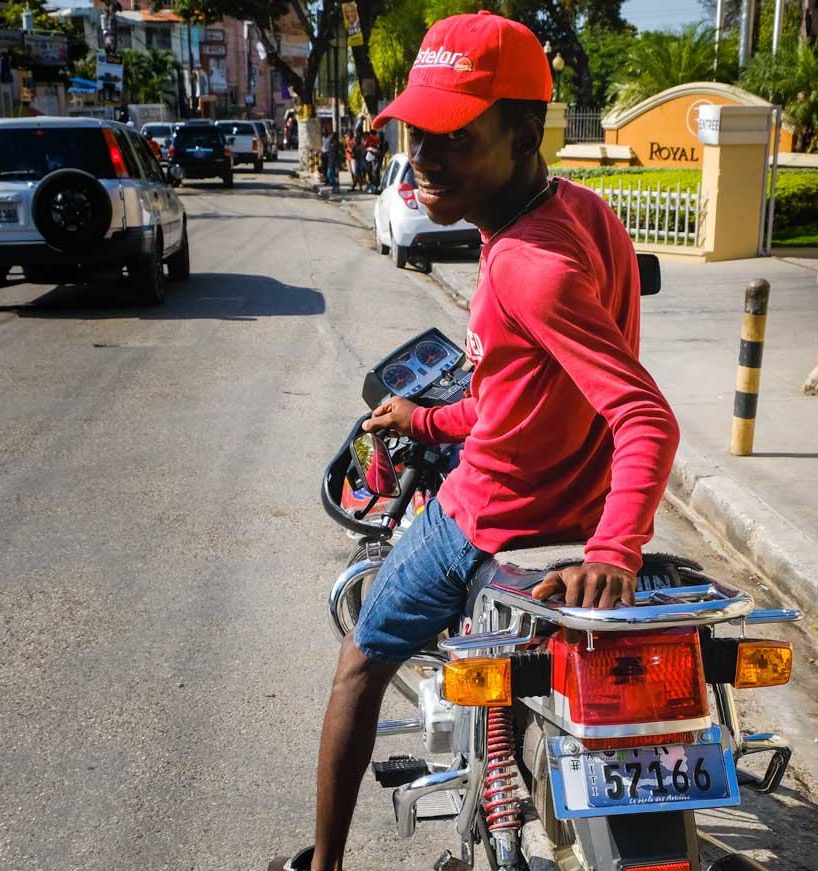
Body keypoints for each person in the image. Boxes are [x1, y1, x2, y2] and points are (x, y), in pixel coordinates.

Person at [266, 12, 679, 871]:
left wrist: (618, 548)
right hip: (567, 501)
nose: (424, 156)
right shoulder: (586, 217)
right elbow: (517, 403)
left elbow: (645, 415)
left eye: (455, 135)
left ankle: (324, 867)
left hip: (489, 521)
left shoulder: (529, 264)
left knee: (358, 665)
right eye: (418, 132)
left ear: (524, 134)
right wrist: (418, 419)